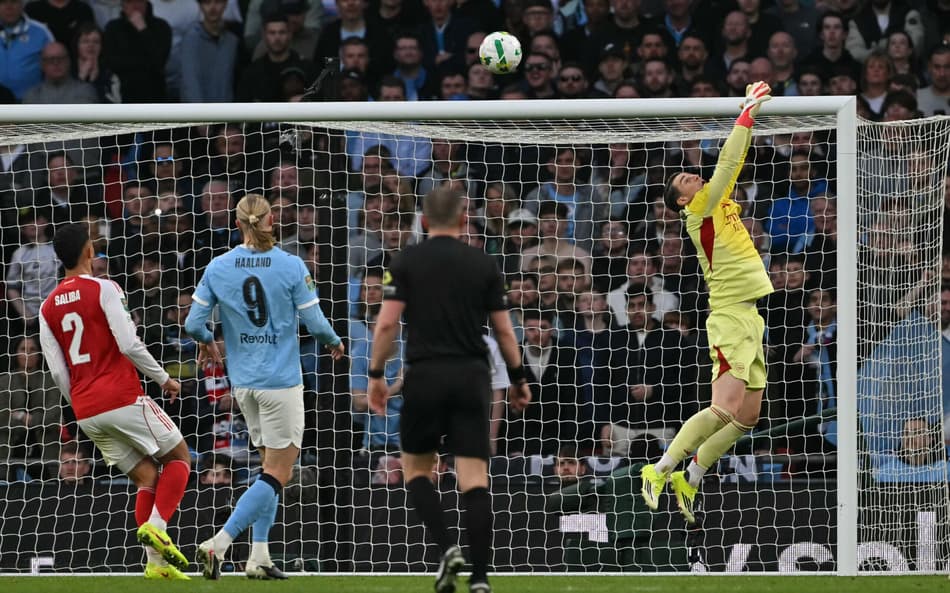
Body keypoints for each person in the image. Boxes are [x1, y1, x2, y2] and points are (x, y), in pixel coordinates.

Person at [367, 187, 531, 593]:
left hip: (425, 375)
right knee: (474, 478)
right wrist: (518, 377)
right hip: (471, 377)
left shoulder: (405, 261)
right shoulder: (483, 263)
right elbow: (505, 330)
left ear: (423, 221)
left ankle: (445, 548)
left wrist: (375, 375)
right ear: (463, 221)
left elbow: (387, 325)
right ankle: (479, 578)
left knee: (417, 470)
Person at [184, 193, 345, 580]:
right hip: (281, 382)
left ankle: (259, 555)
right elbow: (317, 324)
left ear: (237, 223)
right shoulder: (290, 265)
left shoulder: (218, 267)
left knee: (268, 468)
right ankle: (220, 542)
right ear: (272, 219)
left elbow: (191, 324)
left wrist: (207, 339)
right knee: (279, 473)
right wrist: (335, 343)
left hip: (244, 385)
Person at [640, 81, 774, 525]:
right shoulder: (700, 210)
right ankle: (659, 469)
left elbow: (725, 170)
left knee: (748, 417)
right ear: (682, 200)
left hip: (749, 316)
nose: (694, 176)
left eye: (691, 173)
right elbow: (730, 159)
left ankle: (691, 476)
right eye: (685, 179)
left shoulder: (719, 204)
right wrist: (747, 112)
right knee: (723, 409)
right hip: (730, 317)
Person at [37, 222, 191, 580]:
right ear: (90, 251)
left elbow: (58, 372)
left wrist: (79, 405)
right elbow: (129, 344)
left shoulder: (47, 308)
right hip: (121, 396)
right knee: (179, 457)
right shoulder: (105, 288)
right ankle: (157, 524)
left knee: (146, 478)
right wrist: (163, 378)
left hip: (86, 410)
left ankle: (155, 566)